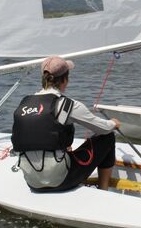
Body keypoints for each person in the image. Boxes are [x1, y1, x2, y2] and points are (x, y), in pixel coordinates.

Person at [11, 56, 120, 192]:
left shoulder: (24, 103)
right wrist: (113, 123)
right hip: (61, 181)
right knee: (108, 136)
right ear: (65, 80)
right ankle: (103, 189)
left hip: (32, 183)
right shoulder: (68, 105)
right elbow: (103, 128)